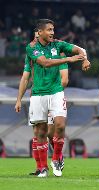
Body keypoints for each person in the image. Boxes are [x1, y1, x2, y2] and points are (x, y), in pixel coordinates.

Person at [17, 18, 90, 178]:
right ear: (39, 32)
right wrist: (18, 99)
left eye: (53, 29)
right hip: (37, 95)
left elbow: (80, 49)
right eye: (49, 30)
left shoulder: (58, 45)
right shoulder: (32, 48)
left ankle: (56, 158)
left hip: (56, 92)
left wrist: (84, 58)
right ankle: (42, 168)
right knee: (40, 132)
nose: (52, 32)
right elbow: (44, 63)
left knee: (60, 126)